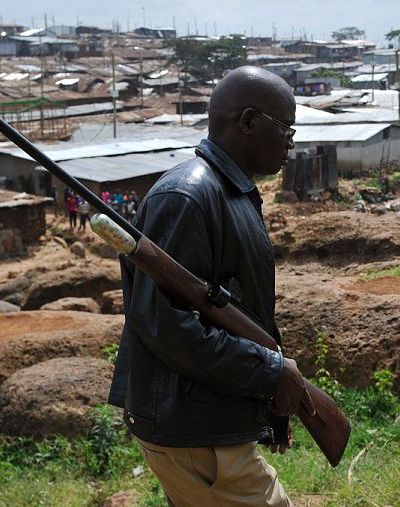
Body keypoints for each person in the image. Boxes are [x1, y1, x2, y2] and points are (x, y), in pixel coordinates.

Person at [109, 66, 310, 506]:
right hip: (195, 429)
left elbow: (235, 317)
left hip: (206, 422)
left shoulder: (226, 191)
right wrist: (268, 371)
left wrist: (268, 394)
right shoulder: (187, 197)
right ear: (249, 121)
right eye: (286, 129)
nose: (291, 144)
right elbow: (164, 323)